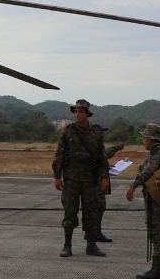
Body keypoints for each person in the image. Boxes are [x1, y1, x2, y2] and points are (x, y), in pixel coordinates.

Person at [52, 99, 109, 258]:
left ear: (87, 114)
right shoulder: (68, 131)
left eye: (81, 111)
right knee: (70, 212)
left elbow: (102, 158)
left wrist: (104, 177)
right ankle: (67, 245)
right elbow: (59, 155)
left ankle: (91, 245)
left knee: (91, 213)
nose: (77, 114)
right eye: (75, 111)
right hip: (71, 179)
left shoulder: (96, 133)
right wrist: (58, 176)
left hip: (90, 180)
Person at [126, 124, 160, 279]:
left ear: (150, 138)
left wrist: (133, 185)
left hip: (156, 199)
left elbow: (148, 170)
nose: (143, 141)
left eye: (144, 138)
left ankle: (156, 271)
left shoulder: (156, 150)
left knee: (158, 233)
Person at [93, 124, 125, 244]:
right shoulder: (95, 145)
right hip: (96, 182)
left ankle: (93, 233)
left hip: (97, 180)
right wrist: (117, 147)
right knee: (98, 208)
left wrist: (107, 166)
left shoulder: (96, 144)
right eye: (102, 132)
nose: (104, 134)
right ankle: (95, 234)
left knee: (98, 208)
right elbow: (105, 154)